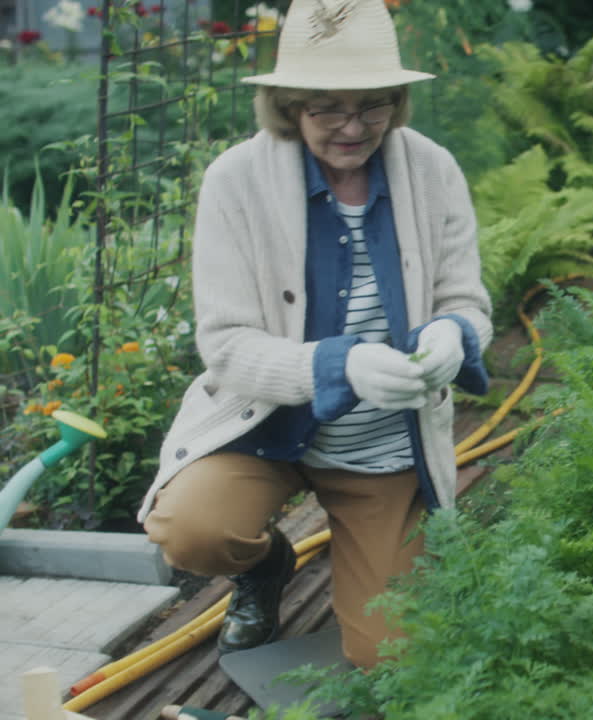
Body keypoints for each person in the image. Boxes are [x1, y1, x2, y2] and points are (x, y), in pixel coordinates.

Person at [138, 0, 492, 668]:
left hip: (382, 447)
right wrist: (339, 366)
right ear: (289, 105)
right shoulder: (235, 181)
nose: (353, 127)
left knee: (394, 657)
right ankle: (266, 566)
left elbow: (465, 300)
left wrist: (454, 334)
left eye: (373, 105)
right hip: (266, 429)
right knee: (193, 532)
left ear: (396, 101)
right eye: (327, 107)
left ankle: (367, 551)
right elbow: (227, 344)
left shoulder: (433, 169)